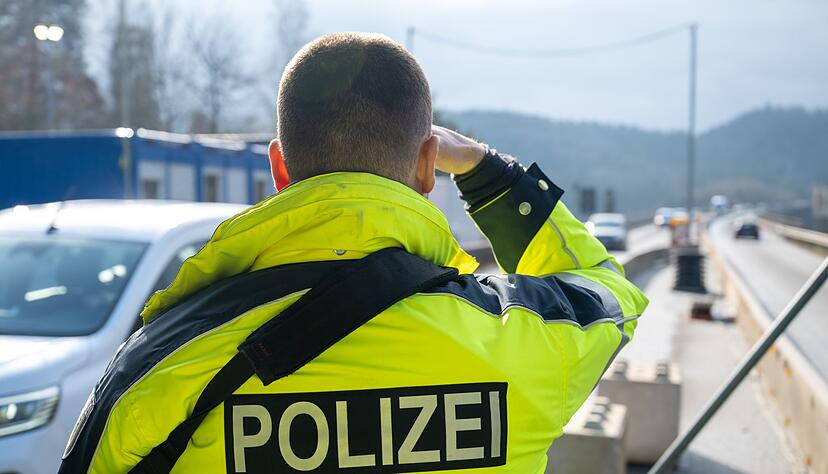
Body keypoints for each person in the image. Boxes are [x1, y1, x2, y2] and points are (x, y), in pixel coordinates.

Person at [59, 32, 647, 473]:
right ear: (426, 168)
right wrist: (490, 173)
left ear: (280, 168)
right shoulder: (523, 341)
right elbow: (604, 284)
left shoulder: (158, 372)